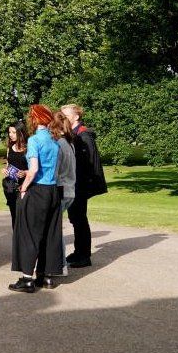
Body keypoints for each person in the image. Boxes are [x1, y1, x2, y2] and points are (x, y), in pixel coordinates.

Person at [9, 104, 63, 293]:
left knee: (29, 234)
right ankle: (46, 276)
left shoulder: (34, 140)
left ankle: (27, 279)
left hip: (38, 190)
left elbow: (33, 170)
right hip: (53, 191)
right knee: (50, 233)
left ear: (34, 119)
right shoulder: (55, 140)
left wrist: (23, 189)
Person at [61, 104, 108, 268]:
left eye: (66, 115)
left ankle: (84, 255)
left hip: (80, 184)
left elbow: (88, 164)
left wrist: (84, 185)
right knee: (75, 218)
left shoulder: (83, 135)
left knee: (79, 218)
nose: (63, 118)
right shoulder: (74, 135)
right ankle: (79, 251)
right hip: (75, 183)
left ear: (76, 117)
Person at [51, 111, 76, 278]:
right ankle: (60, 264)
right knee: (56, 228)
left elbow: (55, 171)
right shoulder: (69, 142)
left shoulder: (59, 144)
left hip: (61, 190)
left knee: (55, 231)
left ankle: (60, 265)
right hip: (70, 190)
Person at [2, 122, 29, 228]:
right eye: (9, 132)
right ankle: (17, 241)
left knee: (24, 215)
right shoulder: (10, 148)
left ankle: (25, 241)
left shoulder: (29, 148)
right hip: (10, 186)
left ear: (21, 133)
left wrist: (25, 172)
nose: (11, 134)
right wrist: (5, 170)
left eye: (14, 132)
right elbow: (9, 165)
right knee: (14, 215)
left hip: (24, 186)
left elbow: (35, 169)